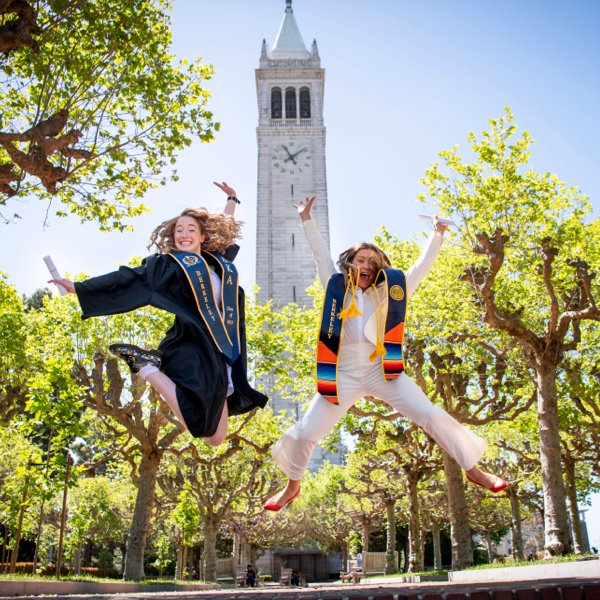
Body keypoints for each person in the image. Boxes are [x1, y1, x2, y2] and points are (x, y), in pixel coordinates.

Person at [264, 196, 506, 511]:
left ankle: (474, 470)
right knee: (302, 434)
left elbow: (420, 269)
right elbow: (319, 255)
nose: (365, 265)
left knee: (430, 414)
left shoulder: (391, 291)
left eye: (371, 261)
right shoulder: (336, 286)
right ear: (349, 263)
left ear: (379, 268)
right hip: (343, 374)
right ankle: (292, 486)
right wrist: (306, 219)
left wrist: (437, 235)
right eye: (359, 259)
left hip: (384, 370)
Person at [49, 182, 267, 446]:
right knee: (200, 425)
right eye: (179, 230)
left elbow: (226, 229)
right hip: (193, 348)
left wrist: (232, 198)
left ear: (202, 236)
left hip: (223, 353)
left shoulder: (216, 262)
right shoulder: (168, 266)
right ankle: (147, 367)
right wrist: (78, 288)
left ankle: (148, 366)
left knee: (215, 438)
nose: (183, 234)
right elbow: (129, 278)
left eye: (191, 229)